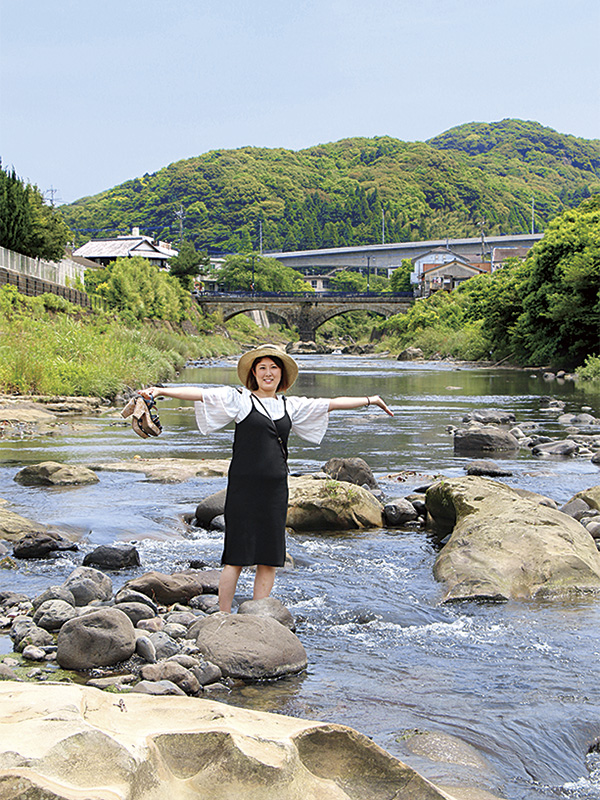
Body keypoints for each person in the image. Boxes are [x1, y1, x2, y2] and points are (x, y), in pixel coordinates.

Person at [140, 344, 393, 612]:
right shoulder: (240, 400)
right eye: (262, 368)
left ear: (281, 375)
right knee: (235, 557)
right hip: (243, 488)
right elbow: (201, 395)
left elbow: (331, 404)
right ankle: (222, 614)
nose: (268, 373)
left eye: (274, 368)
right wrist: (161, 391)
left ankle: (258, 613)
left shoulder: (290, 405)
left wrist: (371, 399)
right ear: (254, 373)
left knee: (269, 557)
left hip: (275, 489)